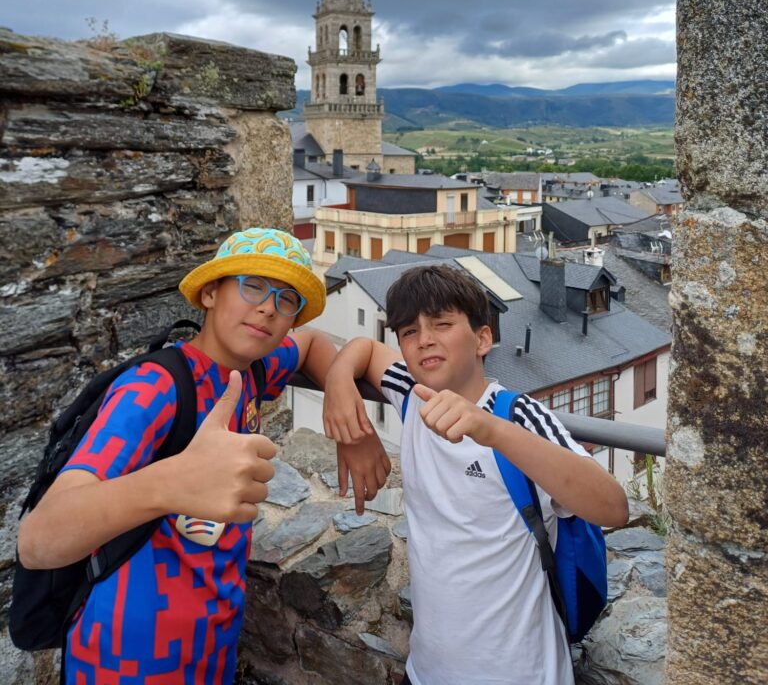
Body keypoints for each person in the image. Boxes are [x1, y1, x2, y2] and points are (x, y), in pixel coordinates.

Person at [18, 227, 390, 685]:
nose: (269, 306)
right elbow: (39, 541)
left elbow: (311, 344)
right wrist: (168, 484)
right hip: (128, 655)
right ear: (210, 293)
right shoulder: (153, 388)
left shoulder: (250, 370)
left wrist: (343, 400)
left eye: (286, 298)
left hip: (211, 643)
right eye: (253, 285)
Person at [323, 264, 629, 685]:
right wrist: (340, 383)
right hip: (427, 671)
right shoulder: (414, 396)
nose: (424, 339)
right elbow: (362, 349)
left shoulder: (517, 415)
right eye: (409, 332)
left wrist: (489, 430)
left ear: (483, 338)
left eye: (443, 324)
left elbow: (612, 506)